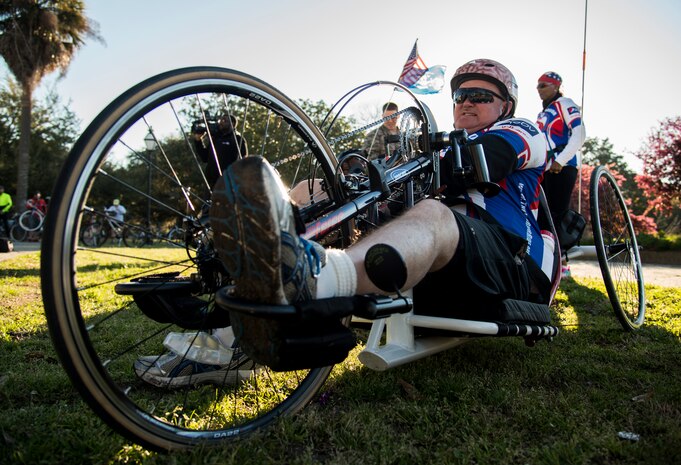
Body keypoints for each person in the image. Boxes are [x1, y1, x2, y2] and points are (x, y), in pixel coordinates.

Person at [134, 58, 552, 386]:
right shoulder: (430, 144)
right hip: (424, 270)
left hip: (507, 263)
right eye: (460, 93)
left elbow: (494, 156)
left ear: (506, 105)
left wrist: (429, 167)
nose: (466, 101)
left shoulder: (521, 129)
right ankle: (229, 325)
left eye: (480, 94)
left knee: (433, 214)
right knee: (312, 189)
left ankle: (315, 281)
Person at [536, 71, 586, 276]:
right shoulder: (542, 112)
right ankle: (544, 261)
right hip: (544, 169)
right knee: (542, 216)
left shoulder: (565, 103)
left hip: (562, 165)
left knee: (557, 213)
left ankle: (562, 264)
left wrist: (561, 160)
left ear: (556, 86)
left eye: (543, 85)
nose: (538, 89)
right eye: (538, 85)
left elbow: (580, 133)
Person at [192, 112, 248, 194]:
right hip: (211, 183)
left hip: (229, 184)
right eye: (221, 120)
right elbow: (204, 158)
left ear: (232, 124)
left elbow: (243, 162)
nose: (221, 122)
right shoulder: (216, 139)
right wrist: (198, 140)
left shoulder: (238, 139)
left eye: (224, 120)